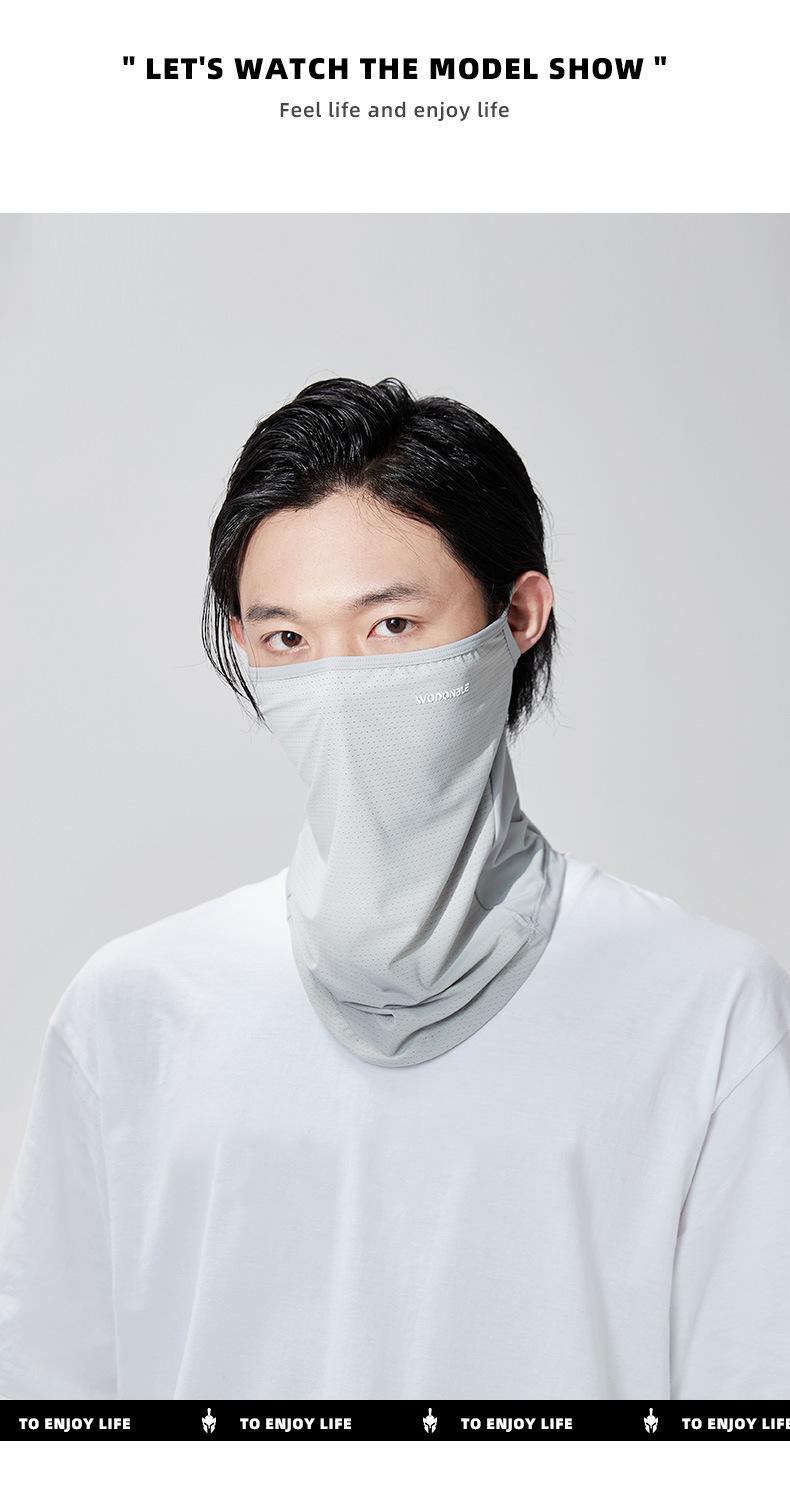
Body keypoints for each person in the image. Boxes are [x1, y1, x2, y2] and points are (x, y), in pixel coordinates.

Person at [1, 375, 789, 1401]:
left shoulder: (704, 1007)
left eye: (391, 626)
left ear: (518, 613)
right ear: (244, 647)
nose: (337, 685)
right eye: (288, 640)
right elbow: (52, 1401)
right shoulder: (133, 1009)